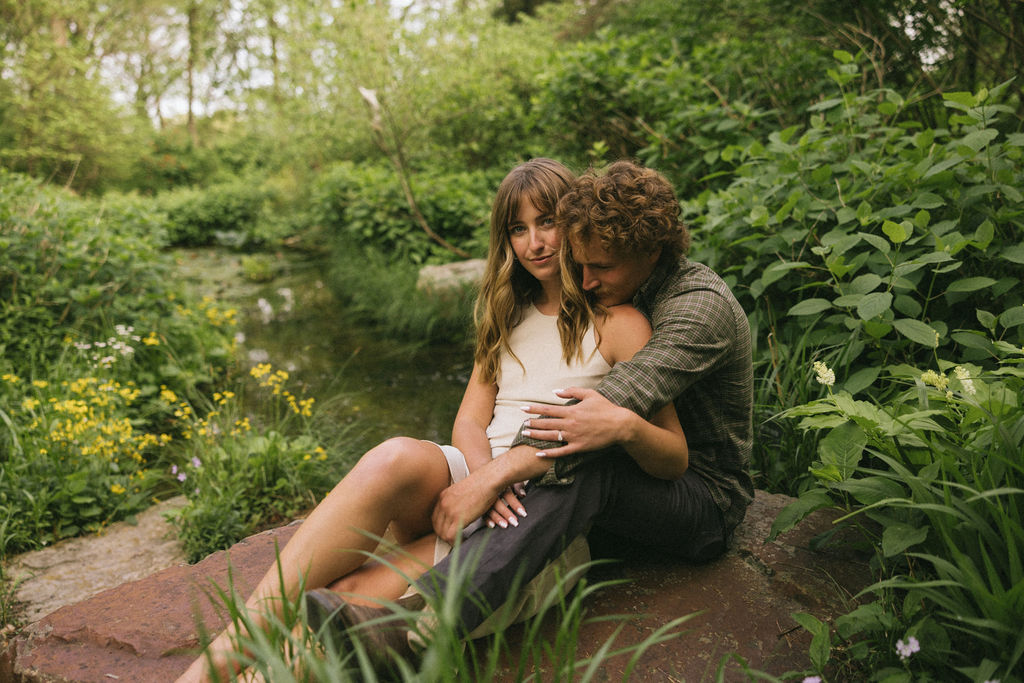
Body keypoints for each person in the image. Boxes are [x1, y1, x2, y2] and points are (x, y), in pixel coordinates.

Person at [175, 157, 688, 682]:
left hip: (532, 516)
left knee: (344, 601)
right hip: (476, 479)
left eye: (547, 221)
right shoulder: (508, 313)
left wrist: (605, 436)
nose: (535, 242)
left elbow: (673, 453)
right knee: (394, 455)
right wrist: (484, 477)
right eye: (518, 228)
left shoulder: (620, 324)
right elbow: (469, 419)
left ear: (578, 225)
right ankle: (217, 658)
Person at [393, 159, 755, 638]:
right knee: (571, 460)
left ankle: (438, 617)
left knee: (589, 456)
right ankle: (395, 603)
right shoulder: (620, 291)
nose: (583, 281)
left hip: (701, 497)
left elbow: (610, 405)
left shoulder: (698, 308)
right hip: (637, 477)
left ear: (651, 253)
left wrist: (492, 475)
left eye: (599, 267)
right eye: (579, 265)